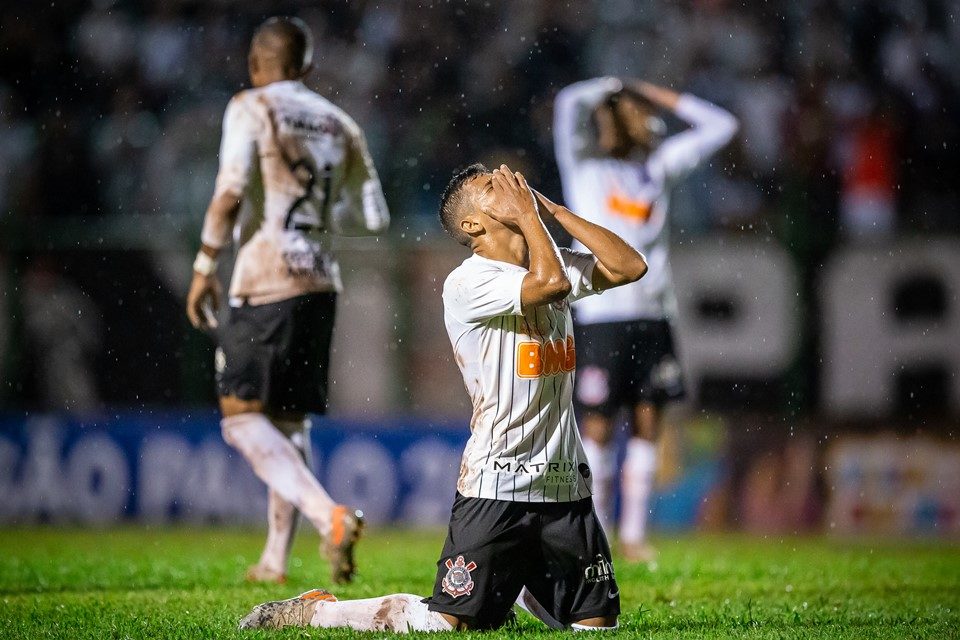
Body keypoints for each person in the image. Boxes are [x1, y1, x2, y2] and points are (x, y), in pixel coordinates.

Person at [237, 163, 647, 632]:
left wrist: (555, 212)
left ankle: (513, 584)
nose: (512, 184)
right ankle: (320, 610)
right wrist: (532, 219)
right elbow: (551, 284)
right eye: (494, 187)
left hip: (565, 485)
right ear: (473, 225)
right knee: (447, 624)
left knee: (599, 628)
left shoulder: (549, 258)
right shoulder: (470, 282)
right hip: (499, 481)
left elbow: (630, 266)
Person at [185, 16, 389, 585]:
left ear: (256, 64)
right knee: (289, 421)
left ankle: (329, 516)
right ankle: (275, 560)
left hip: (264, 277)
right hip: (321, 282)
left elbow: (228, 193)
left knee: (240, 420)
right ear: (307, 67)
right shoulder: (340, 122)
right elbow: (375, 217)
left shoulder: (250, 106)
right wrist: (321, 219)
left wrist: (204, 267)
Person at [553, 77, 738, 562]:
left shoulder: (657, 169)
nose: (647, 121)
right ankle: (600, 533)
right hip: (600, 315)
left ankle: (634, 535)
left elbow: (723, 126)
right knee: (596, 425)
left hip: (653, 314)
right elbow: (569, 102)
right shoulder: (584, 169)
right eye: (635, 112)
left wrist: (655, 92)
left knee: (648, 420)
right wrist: (616, 85)